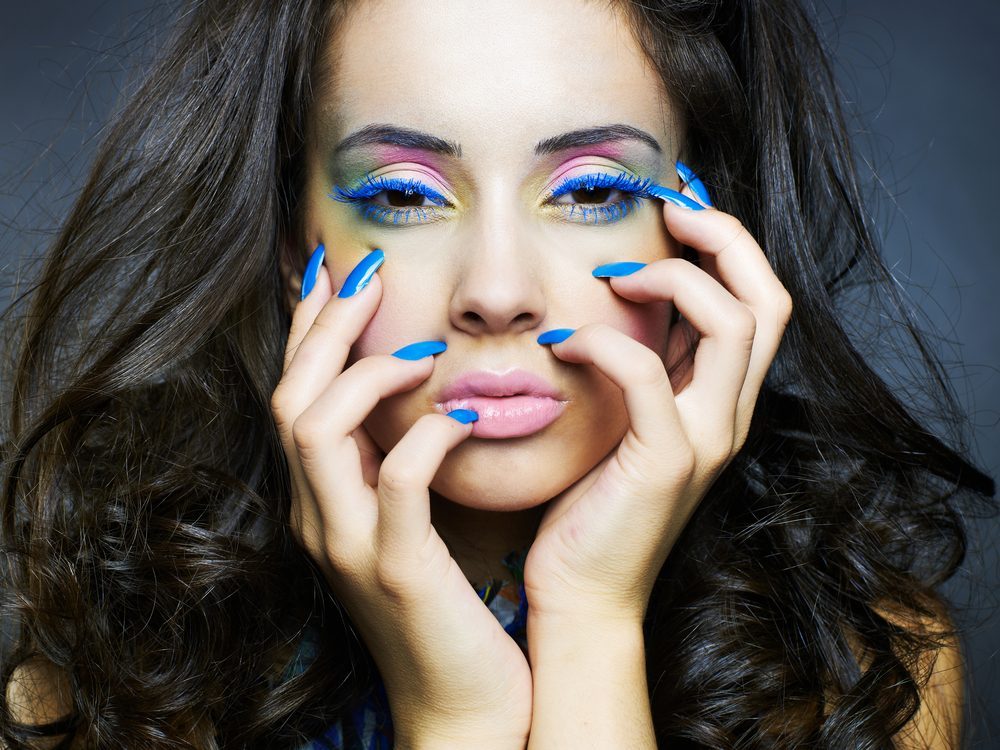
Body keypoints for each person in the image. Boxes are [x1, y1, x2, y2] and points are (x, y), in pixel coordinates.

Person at [1, 0, 995, 748]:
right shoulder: (106, 687)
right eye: (400, 195)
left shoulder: (867, 664)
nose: (497, 290)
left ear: (699, 237)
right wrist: (456, 714)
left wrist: (590, 624)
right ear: (286, 242)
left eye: (594, 190)